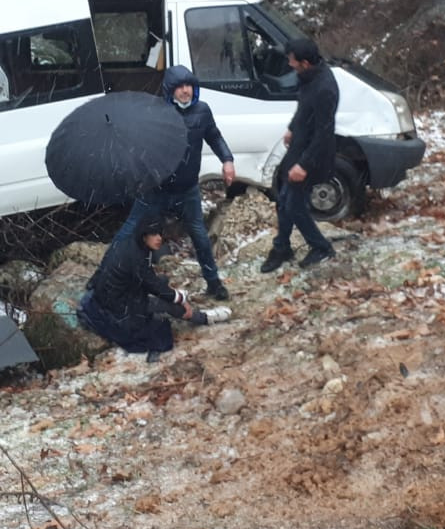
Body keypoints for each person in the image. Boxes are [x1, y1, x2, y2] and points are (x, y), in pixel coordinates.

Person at [113, 65, 237, 301]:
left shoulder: (202, 111)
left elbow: (215, 137)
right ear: (170, 90)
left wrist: (227, 160)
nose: (185, 91)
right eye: (179, 87)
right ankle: (104, 275)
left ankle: (214, 284)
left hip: (188, 190)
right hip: (155, 190)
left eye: (189, 85)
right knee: (130, 230)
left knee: (200, 236)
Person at [78, 217, 230, 361]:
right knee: (166, 305)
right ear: (144, 235)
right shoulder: (136, 258)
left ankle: (194, 314)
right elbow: (153, 285)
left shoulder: (126, 244)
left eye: (160, 233)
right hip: (118, 309)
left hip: (108, 296)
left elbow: (148, 280)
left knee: (163, 283)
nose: (159, 238)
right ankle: (202, 318)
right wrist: (180, 297)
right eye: (154, 234)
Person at [261, 35, 339, 273]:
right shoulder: (308, 77)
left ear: (305, 62)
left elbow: (324, 132)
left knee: (293, 204)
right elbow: (303, 108)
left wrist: (304, 165)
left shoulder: (325, 88)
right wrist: (292, 128)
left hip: (313, 155)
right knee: (284, 200)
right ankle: (282, 247)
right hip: (299, 146)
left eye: (293, 61)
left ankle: (321, 247)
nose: (290, 64)